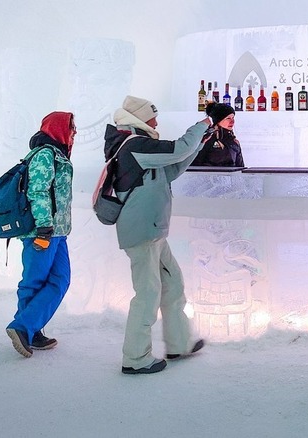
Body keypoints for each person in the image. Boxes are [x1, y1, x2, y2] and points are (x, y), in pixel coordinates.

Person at [104, 95, 211, 374]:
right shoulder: (134, 145)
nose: (156, 121)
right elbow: (177, 149)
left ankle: (179, 343)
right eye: (153, 116)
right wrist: (201, 126)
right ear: (139, 117)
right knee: (148, 294)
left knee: (172, 284)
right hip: (141, 232)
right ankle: (136, 359)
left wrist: (199, 142)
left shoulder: (139, 144)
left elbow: (171, 169)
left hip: (152, 230)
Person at [6, 111, 75, 358]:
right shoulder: (45, 154)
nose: (74, 132)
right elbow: (37, 190)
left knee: (60, 280)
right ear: (58, 129)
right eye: (71, 127)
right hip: (42, 230)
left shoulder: (57, 154)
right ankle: (25, 329)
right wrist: (45, 225)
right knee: (33, 281)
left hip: (58, 232)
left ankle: (28, 327)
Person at [190, 101, 244, 167]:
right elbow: (194, 166)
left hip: (230, 177)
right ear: (218, 120)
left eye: (233, 118)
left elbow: (240, 169)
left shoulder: (234, 142)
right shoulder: (205, 139)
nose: (232, 121)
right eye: (228, 118)